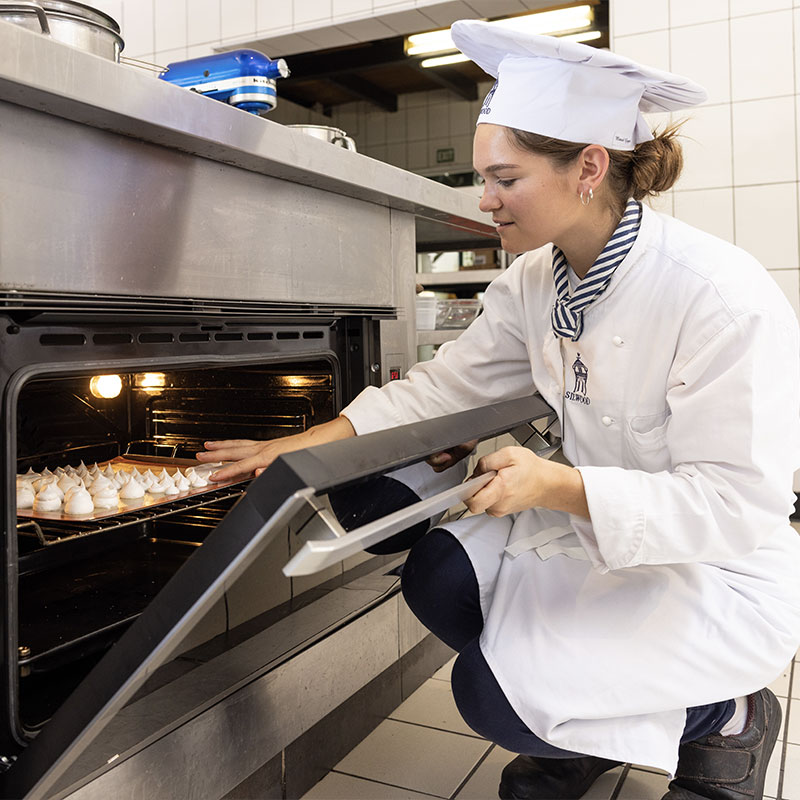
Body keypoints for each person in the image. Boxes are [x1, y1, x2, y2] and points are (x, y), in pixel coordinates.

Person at [198, 20, 800, 800]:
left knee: (492, 697)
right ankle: (585, 729)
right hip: (596, 532)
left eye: (505, 179)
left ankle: (726, 715)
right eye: (485, 178)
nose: (484, 201)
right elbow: (444, 388)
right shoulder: (533, 282)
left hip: (712, 565)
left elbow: (735, 507)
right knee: (438, 576)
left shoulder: (716, 295)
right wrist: (302, 444)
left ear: (588, 167)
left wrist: (554, 486)